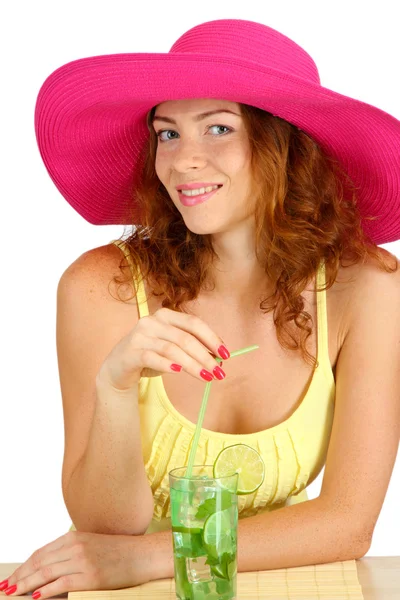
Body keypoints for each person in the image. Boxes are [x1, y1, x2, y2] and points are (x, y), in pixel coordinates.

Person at [2, 17, 400, 600]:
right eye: (168, 134)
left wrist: (145, 558)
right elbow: (108, 529)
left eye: (217, 128)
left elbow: (347, 523)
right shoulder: (100, 285)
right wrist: (115, 387)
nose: (183, 161)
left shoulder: (366, 288)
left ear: (285, 145)